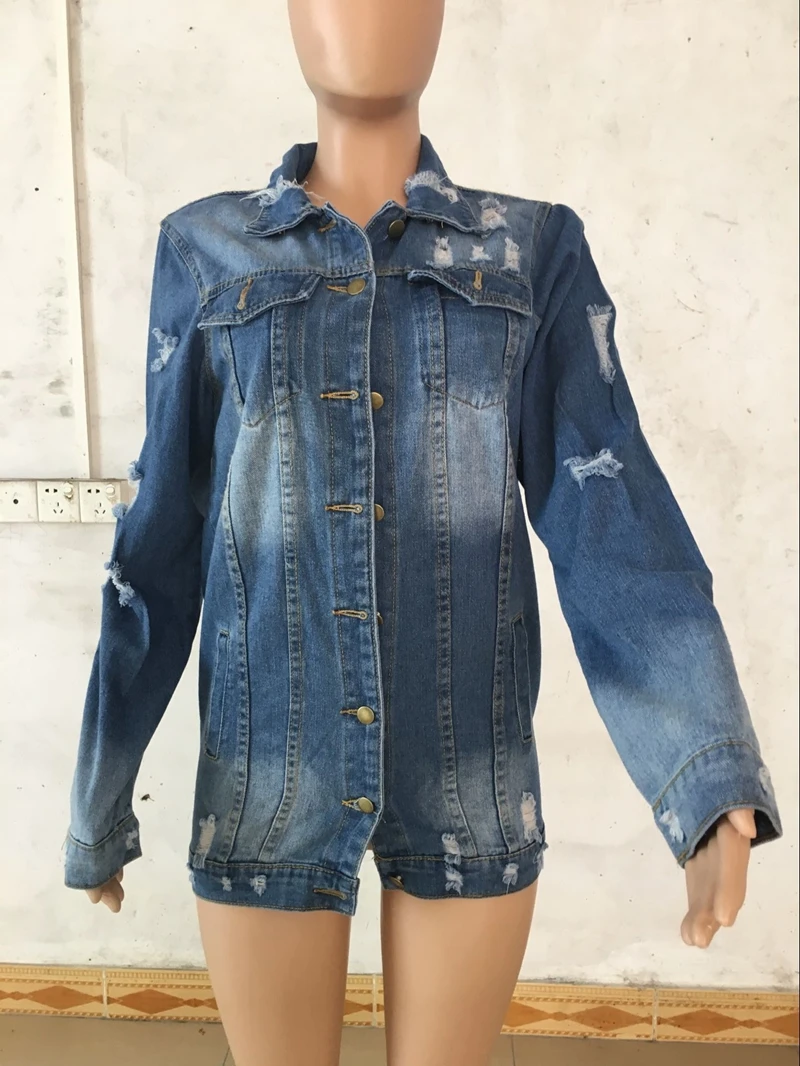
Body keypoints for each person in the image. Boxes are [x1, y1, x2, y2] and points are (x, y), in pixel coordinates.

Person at [63, 3, 783, 1064]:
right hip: (268, 773)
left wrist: (705, 773)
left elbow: (612, 520)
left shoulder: (530, 252)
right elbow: (158, 544)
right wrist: (101, 794)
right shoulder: (205, 252)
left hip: (468, 773)